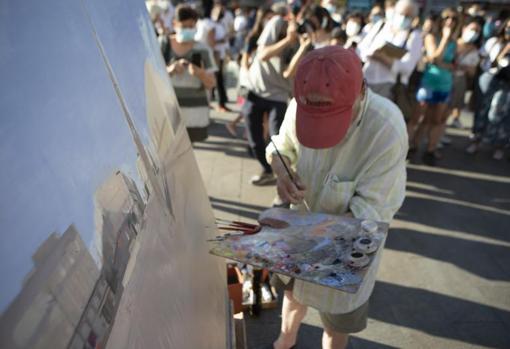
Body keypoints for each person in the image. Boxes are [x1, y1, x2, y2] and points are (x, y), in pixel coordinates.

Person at [266, 46, 407, 349]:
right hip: (300, 229)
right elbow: (282, 146)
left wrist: (309, 238)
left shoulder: (387, 128)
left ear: (361, 90)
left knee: (336, 319)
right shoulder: (300, 102)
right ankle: (285, 341)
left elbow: (371, 211)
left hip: (352, 240)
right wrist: (282, 172)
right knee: (292, 295)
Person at [244, 2, 299, 186]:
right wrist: (287, 41)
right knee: (254, 139)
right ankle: (267, 171)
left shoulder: (303, 37)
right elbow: (263, 54)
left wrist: (300, 44)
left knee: (279, 142)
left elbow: (289, 73)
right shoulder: (276, 23)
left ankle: (284, 180)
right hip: (256, 91)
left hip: (279, 95)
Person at [407, 8, 459, 166]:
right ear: (441, 21)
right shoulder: (431, 37)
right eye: (447, 18)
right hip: (428, 83)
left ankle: (429, 149)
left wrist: (443, 63)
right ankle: (408, 146)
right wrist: (444, 39)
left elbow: (453, 64)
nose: (450, 22)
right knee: (417, 117)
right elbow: (434, 57)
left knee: (434, 119)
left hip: (445, 85)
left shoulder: (455, 43)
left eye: (453, 19)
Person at [161, 5, 217, 142]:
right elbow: (149, 76)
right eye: (184, 26)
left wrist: (200, 74)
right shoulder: (162, 44)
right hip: (166, 112)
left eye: (192, 27)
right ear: (174, 24)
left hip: (193, 114)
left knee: (186, 155)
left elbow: (212, 83)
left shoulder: (203, 49)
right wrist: (170, 70)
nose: (189, 30)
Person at [358, 0, 422, 111]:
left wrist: (385, 59)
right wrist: (373, 53)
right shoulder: (381, 26)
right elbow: (361, 49)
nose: (403, 18)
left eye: (408, 16)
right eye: (401, 14)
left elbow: (407, 68)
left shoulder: (414, 36)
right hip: (365, 80)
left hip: (389, 86)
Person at [467, 19, 510, 160]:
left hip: (506, 83)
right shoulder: (494, 42)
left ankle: (499, 145)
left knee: (501, 113)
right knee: (482, 109)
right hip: (489, 77)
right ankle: (476, 140)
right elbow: (483, 58)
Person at [448, 19, 482, 129]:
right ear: (464, 29)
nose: (474, 33)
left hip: (460, 79)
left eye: (477, 31)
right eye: (472, 29)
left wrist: (464, 67)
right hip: (447, 77)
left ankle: (454, 120)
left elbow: (472, 72)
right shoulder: (452, 43)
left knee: (457, 102)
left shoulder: (475, 50)